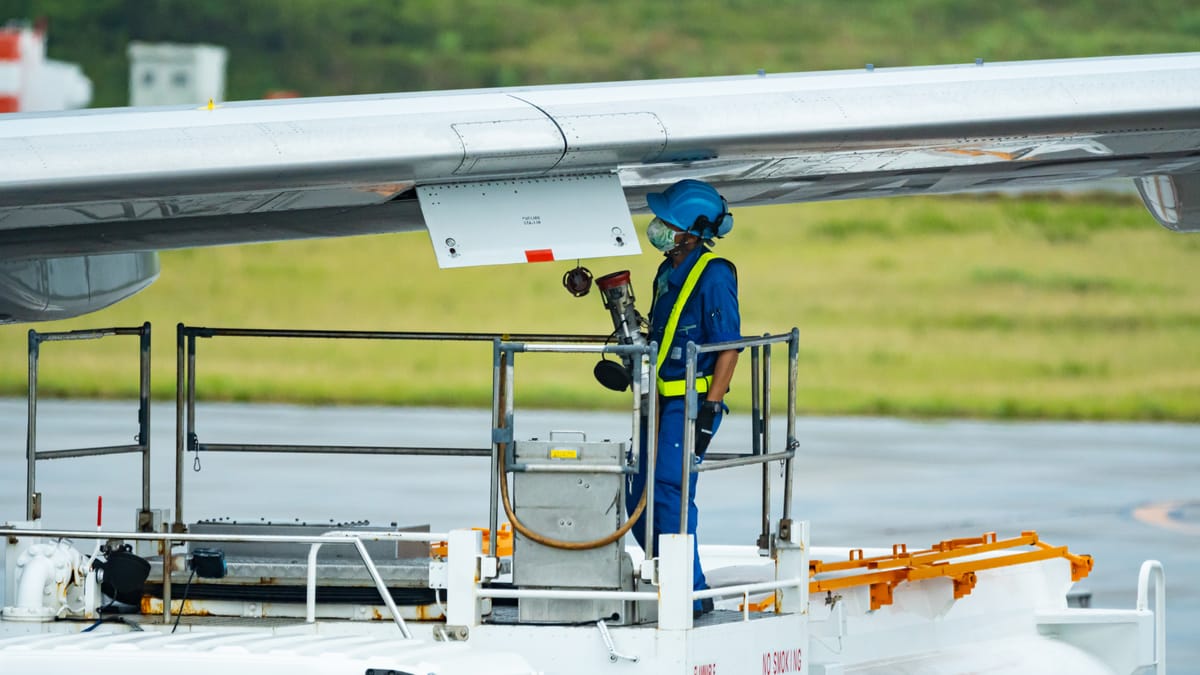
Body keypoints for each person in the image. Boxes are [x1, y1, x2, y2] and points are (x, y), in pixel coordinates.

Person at [626, 179, 740, 616]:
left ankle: (690, 593)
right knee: (639, 490)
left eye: (667, 223)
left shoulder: (714, 274)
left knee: (671, 494)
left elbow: (728, 346)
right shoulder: (665, 271)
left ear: (691, 231)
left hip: (688, 405)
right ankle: (668, 572)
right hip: (655, 399)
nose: (657, 228)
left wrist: (710, 407)